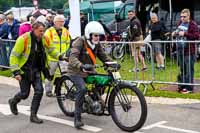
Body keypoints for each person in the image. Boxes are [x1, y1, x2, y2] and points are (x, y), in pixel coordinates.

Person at [8, 21, 62, 124]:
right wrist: (16, 72)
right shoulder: (23, 39)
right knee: (24, 94)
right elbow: (14, 56)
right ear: (33, 29)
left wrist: (60, 56)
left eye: (43, 31)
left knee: (39, 91)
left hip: (37, 70)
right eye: (40, 31)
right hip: (24, 71)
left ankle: (33, 115)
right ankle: (13, 101)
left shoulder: (44, 38)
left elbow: (51, 50)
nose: (42, 33)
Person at [67, 21, 112, 129]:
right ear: (89, 34)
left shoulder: (96, 44)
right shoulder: (80, 41)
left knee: (103, 83)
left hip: (90, 71)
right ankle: (77, 118)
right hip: (76, 71)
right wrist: (81, 65)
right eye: (95, 35)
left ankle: (90, 102)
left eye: (99, 36)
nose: (97, 38)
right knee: (82, 89)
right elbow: (72, 58)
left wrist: (113, 63)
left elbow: (103, 56)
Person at [172, 9, 199, 94]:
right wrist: (174, 33)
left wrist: (185, 34)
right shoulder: (180, 23)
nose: (182, 18)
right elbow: (178, 32)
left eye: (184, 16)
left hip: (189, 51)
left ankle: (189, 88)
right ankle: (182, 85)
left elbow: (197, 36)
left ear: (189, 16)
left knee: (189, 70)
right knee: (182, 69)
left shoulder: (193, 24)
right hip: (180, 50)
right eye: (181, 16)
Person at [44, 14, 71, 97]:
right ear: (55, 22)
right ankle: (48, 90)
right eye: (60, 22)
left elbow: (68, 42)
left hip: (63, 57)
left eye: (63, 21)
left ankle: (69, 90)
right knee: (50, 75)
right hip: (52, 57)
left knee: (66, 74)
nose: (62, 23)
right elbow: (47, 44)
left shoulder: (65, 31)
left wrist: (65, 52)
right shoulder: (49, 31)